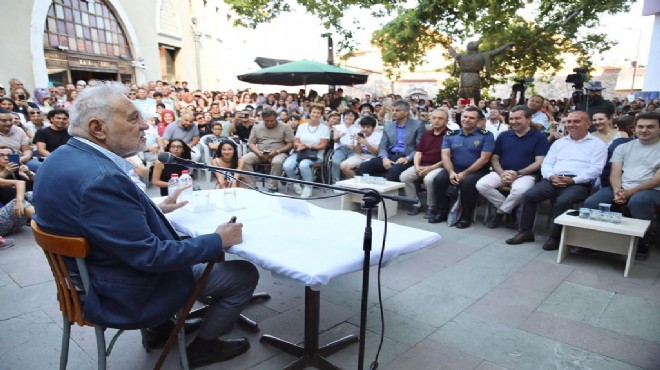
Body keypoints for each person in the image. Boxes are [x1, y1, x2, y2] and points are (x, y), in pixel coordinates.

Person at [32, 82, 258, 367]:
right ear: (98, 128)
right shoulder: (102, 179)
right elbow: (150, 256)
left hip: (83, 281)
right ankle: (205, 347)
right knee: (243, 274)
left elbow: (97, 221)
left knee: (181, 240)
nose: (145, 125)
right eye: (132, 118)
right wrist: (218, 240)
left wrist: (155, 207)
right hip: (124, 293)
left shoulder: (59, 159)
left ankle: (161, 330)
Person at [507, 111, 607, 250]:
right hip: (553, 179)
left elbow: (596, 169)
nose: (571, 125)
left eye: (576, 121)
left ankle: (555, 237)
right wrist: (550, 176)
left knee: (563, 201)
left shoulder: (598, 144)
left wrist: (573, 181)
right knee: (529, 195)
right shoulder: (559, 143)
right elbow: (547, 163)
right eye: (569, 122)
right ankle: (525, 232)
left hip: (578, 182)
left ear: (588, 124)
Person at [582, 112, 660, 261]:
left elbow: (657, 179)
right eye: (640, 126)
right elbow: (615, 173)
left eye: (650, 127)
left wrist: (631, 192)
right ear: (634, 128)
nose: (644, 130)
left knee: (639, 201)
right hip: (622, 187)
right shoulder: (623, 147)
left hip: (651, 190)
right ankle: (589, 240)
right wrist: (617, 189)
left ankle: (643, 243)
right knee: (591, 202)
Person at [476, 106, 549, 229]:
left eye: (517, 118)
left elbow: (539, 162)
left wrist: (518, 173)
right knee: (482, 185)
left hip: (525, 175)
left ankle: (500, 213)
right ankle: (510, 209)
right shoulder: (504, 135)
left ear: (528, 119)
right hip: (501, 172)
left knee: (519, 191)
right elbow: (495, 158)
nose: (513, 122)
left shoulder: (539, 137)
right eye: (511, 119)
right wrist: (501, 172)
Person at [428, 107, 494, 228]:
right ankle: (442, 212)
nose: (467, 120)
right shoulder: (450, 134)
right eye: (465, 116)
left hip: (477, 170)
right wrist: (451, 172)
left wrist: (465, 173)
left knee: (467, 183)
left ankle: (465, 216)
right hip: (454, 168)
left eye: (471, 118)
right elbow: (445, 156)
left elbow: (484, 158)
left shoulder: (486, 135)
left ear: (479, 121)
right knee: (440, 179)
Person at [358, 100, 425, 181]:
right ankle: (366, 191)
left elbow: (420, 147)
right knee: (364, 166)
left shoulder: (417, 125)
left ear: (406, 112)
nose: (394, 113)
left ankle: (389, 193)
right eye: (392, 110)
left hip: (407, 157)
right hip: (390, 155)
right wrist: (385, 158)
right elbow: (383, 146)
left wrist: (407, 158)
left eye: (397, 110)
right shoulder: (388, 126)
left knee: (394, 170)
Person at [399, 109, 449, 218]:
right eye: (434, 118)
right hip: (422, 164)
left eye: (440, 118)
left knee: (429, 179)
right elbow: (418, 152)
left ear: (446, 121)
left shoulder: (450, 135)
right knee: (404, 176)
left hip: (439, 166)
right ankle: (415, 203)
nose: (436, 121)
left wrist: (430, 168)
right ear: (430, 119)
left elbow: (448, 158)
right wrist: (416, 166)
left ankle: (432, 207)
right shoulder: (426, 134)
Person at [283, 103, 330, 198]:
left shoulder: (324, 128)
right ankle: (295, 183)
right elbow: (296, 141)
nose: (315, 114)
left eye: (318, 113)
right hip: (301, 152)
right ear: (309, 113)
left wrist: (308, 146)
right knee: (287, 165)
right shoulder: (302, 126)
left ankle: (308, 187)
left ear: (321, 115)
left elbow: (323, 145)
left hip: (316, 155)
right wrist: (299, 145)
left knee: (303, 164)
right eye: (314, 112)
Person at [242, 109, 294, 191]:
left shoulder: (285, 127)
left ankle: (272, 187)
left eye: (272, 121)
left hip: (278, 152)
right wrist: (257, 152)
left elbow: (290, 144)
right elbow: (251, 143)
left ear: (276, 118)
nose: (269, 123)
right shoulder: (256, 127)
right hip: (260, 152)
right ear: (263, 119)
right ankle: (252, 186)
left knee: (277, 162)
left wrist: (277, 151)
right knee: (244, 160)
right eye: (267, 121)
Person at [448, 40, 512, 102]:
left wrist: (448, 46)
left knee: (463, 98)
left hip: (463, 80)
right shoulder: (482, 55)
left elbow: (452, 52)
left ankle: (465, 107)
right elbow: (496, 51)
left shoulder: (460, 56)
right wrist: (506, 46)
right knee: (474, 98)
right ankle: (471, 106)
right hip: (474, 79)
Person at [330, 110, 360, 183]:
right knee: (335, 161)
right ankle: (335, 182)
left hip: (353, 150)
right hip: (340, 149)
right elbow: (335, 140)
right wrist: (340, 135)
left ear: (354, 118)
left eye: (351, 116)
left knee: (352, 164)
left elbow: (358, 141)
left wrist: (354, 146)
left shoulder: (358, 128)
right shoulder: (338, 127)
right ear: (343, 117)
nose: (349, 117)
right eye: (347, 115)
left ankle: (349, 183)